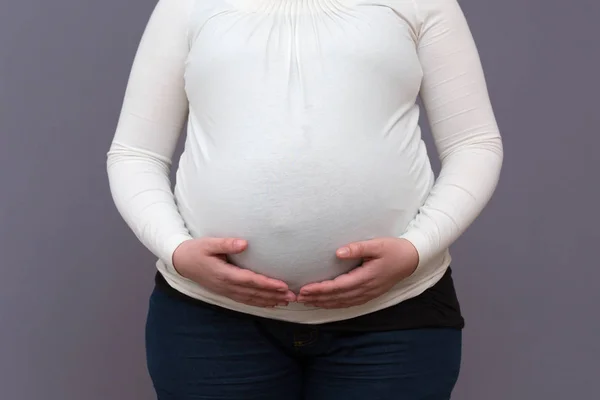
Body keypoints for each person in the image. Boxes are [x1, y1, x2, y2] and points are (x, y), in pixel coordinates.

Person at [107, 0, 503, 398]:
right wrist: (176, 251)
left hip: (395, 317)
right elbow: (134, 153)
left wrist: (417, 250)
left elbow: (475, 144)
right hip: (211, 321)